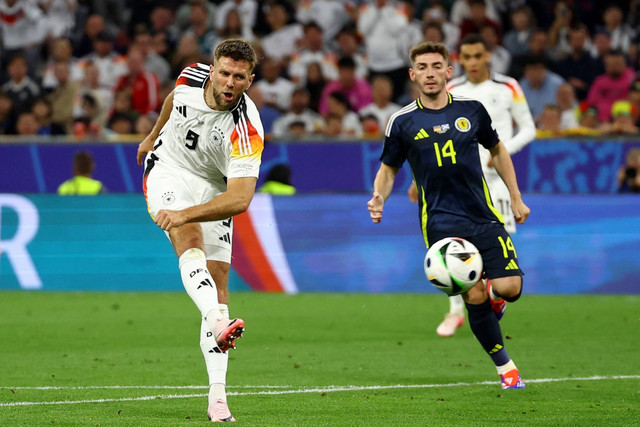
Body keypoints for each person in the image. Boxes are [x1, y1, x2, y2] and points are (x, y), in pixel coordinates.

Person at [368, 41, 530, 389]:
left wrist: (516, 197)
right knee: (472, 296)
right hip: (441, 223)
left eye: (436, 66)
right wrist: (378, 196)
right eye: (422, 67)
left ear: (448, 72)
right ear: (412, 75)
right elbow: (388, 167)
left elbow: (499, 150)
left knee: (510, 288)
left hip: (484, 215)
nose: (430, 73)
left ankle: (493, 296)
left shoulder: (473, 110)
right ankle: (507, 370)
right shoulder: (402, 121)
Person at [136, 38, 261, 423]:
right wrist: (153, 134)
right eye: (224, 72)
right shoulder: (190, 75)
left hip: (212, 189)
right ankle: (220, 324)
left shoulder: (247, 128)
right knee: (188, 238)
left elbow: (240, 199)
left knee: (219, 283)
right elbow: (174, 100)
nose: (229, 82)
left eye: (239, 77)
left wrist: (191, 210)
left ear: (249, 80)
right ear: (212, 69)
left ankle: (217, 398)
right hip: (168, 169)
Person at [408, 34, 535, 337]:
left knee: (496, 260)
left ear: (487, 56)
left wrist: (503, 153)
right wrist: (418, 180)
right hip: (457, 184)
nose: (474, 62)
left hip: (498, 183)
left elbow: (529, 128)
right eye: (467, 57)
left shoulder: (508, 87)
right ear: (459, 60)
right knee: (451, 249)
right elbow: (428, 142)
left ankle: (493, 297)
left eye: (478, 56)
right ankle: (455, 312)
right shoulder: (451, 89)